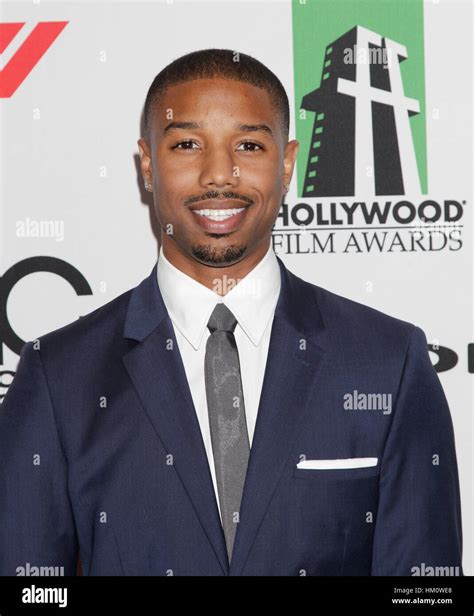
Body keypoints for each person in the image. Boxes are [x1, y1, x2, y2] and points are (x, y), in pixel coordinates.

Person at [0, 49, 463, 576]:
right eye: (187, 144)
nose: (219, 174)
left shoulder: (389, 362)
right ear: (148, 165)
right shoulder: (59, 375)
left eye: (248, 144)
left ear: (287, 163)